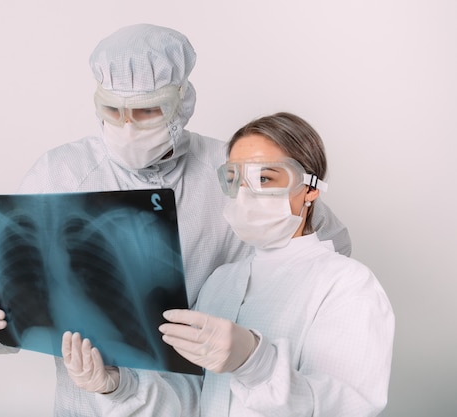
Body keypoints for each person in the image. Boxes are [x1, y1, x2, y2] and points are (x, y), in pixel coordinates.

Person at [0, 24, 352, 416]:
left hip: (201, 403)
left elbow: (320, 245)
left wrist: (256, 340)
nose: (128, 128)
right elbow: (6, 297)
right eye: (113, 110)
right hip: (87, 405)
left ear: (183, 101)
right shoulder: (61, 173)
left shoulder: (230, 169)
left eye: (147, 111)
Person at [62, 112, 395, 416]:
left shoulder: (346, 284)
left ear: (310, 190)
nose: (247, 194)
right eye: (235, 178)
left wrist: (256, 363)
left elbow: (349, 408)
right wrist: (117, 386)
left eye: (266, 178)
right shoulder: (222, 282)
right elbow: (195, 401)